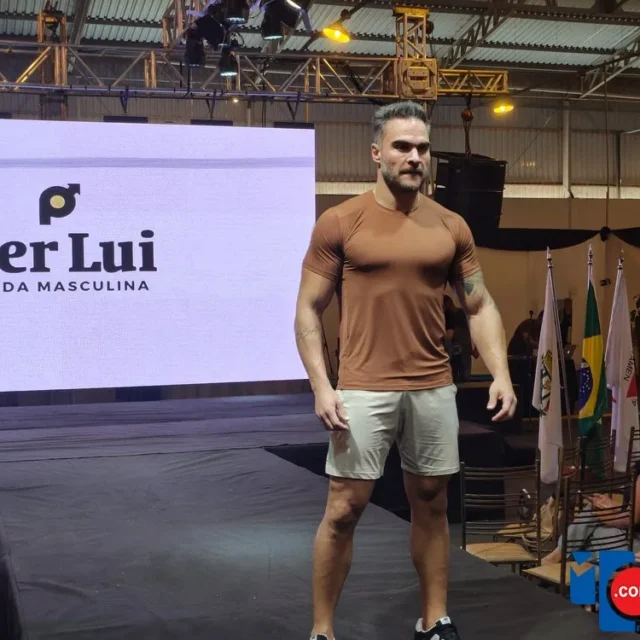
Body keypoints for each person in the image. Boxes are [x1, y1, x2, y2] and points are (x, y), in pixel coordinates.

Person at [294, 100, 517, 640]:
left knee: (433, 505)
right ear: (377, 153)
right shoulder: (340, 221)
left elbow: (479, 304)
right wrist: (321, 386)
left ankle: (434, 621)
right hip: (362, 388)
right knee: (344, 509)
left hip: (433, 387)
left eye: (422, 148)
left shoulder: (450, 225)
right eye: (402, 146)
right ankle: (322, 631)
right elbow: (307, 310)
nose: (415, 157)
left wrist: (502, 373)